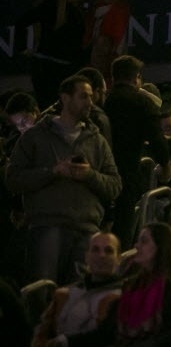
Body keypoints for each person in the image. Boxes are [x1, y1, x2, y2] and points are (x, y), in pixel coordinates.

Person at [6, 75, 121, 284]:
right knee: (42, 292)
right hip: (47, 227)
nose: (90, 102)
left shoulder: (97, 140)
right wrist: (53, 172)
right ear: (65, 99)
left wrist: (89, 175)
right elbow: (13, 179)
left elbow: (114, 185)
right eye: (83, 96)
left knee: (78, 298)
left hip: (86, 229)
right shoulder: (35, 137)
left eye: (90, 96)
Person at [104, 55, 170, 242]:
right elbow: (156, 137)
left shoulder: (104, 101)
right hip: (127, 169)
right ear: (137, 77)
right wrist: (165, 164)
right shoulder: (141, 102)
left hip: (102, 171)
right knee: (123, 225)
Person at [30, 231, 122, 347]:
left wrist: (61, 343)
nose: (101, 255)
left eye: (108, 251)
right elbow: (43, 329)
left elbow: (106, 338)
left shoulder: (123, 296)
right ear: (87, 257)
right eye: (95, 250)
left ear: (118, 259)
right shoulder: (64, 294)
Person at [14, 0, 86, 109]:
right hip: (47, 68)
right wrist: (23, 48)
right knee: (50, 106)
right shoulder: (50, 7)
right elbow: (21, 23)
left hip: (66, 68)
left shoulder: (78, 13)